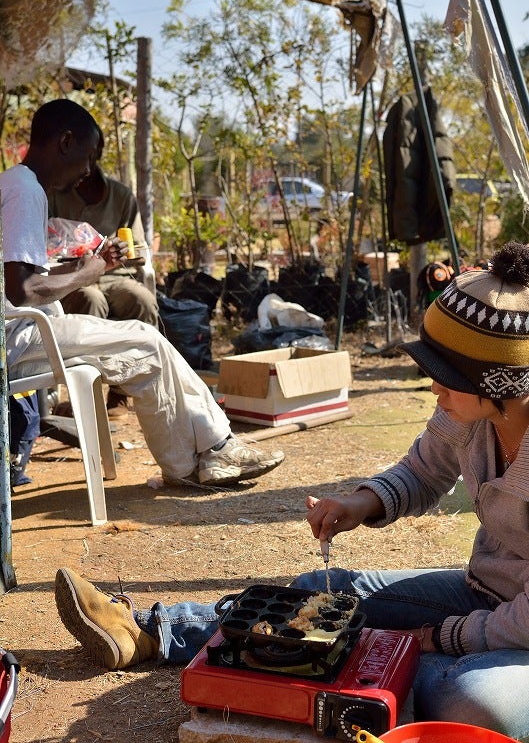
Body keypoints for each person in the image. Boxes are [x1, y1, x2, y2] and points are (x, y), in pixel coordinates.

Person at [55, 241, 529, 741]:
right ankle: (148, 630)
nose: (434, 389)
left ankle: (402, 683)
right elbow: (423, 472)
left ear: (498, 381)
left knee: (470, 700)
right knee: (320, 596)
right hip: (484, 593)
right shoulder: (469, 412)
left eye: (446, 377)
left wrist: (435, 639)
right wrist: (357, 504)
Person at [2, 98, 284, 488]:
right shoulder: (25, 191)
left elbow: (24, 276)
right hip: (19, 338)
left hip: (23, 332)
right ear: (65, 142)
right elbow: (22, 289)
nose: (87, 169)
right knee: (147, 342)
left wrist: (82, 266)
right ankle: (206, 455)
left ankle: (207, 452)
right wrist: (89, 272)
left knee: (147, 343)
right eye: (85, 157)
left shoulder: (16, 183)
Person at [48, 125, 157, 418]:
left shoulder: (121, 196)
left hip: (114, 276)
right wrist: (73, 255)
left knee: (139, 298)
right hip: (72, 277)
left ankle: (122, 394)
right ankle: (87, 395)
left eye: (88, 158)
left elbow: (139, 253)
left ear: (93, 156)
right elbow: (46, 246)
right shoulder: (54, 194)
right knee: (90, 300)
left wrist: (121, 253)